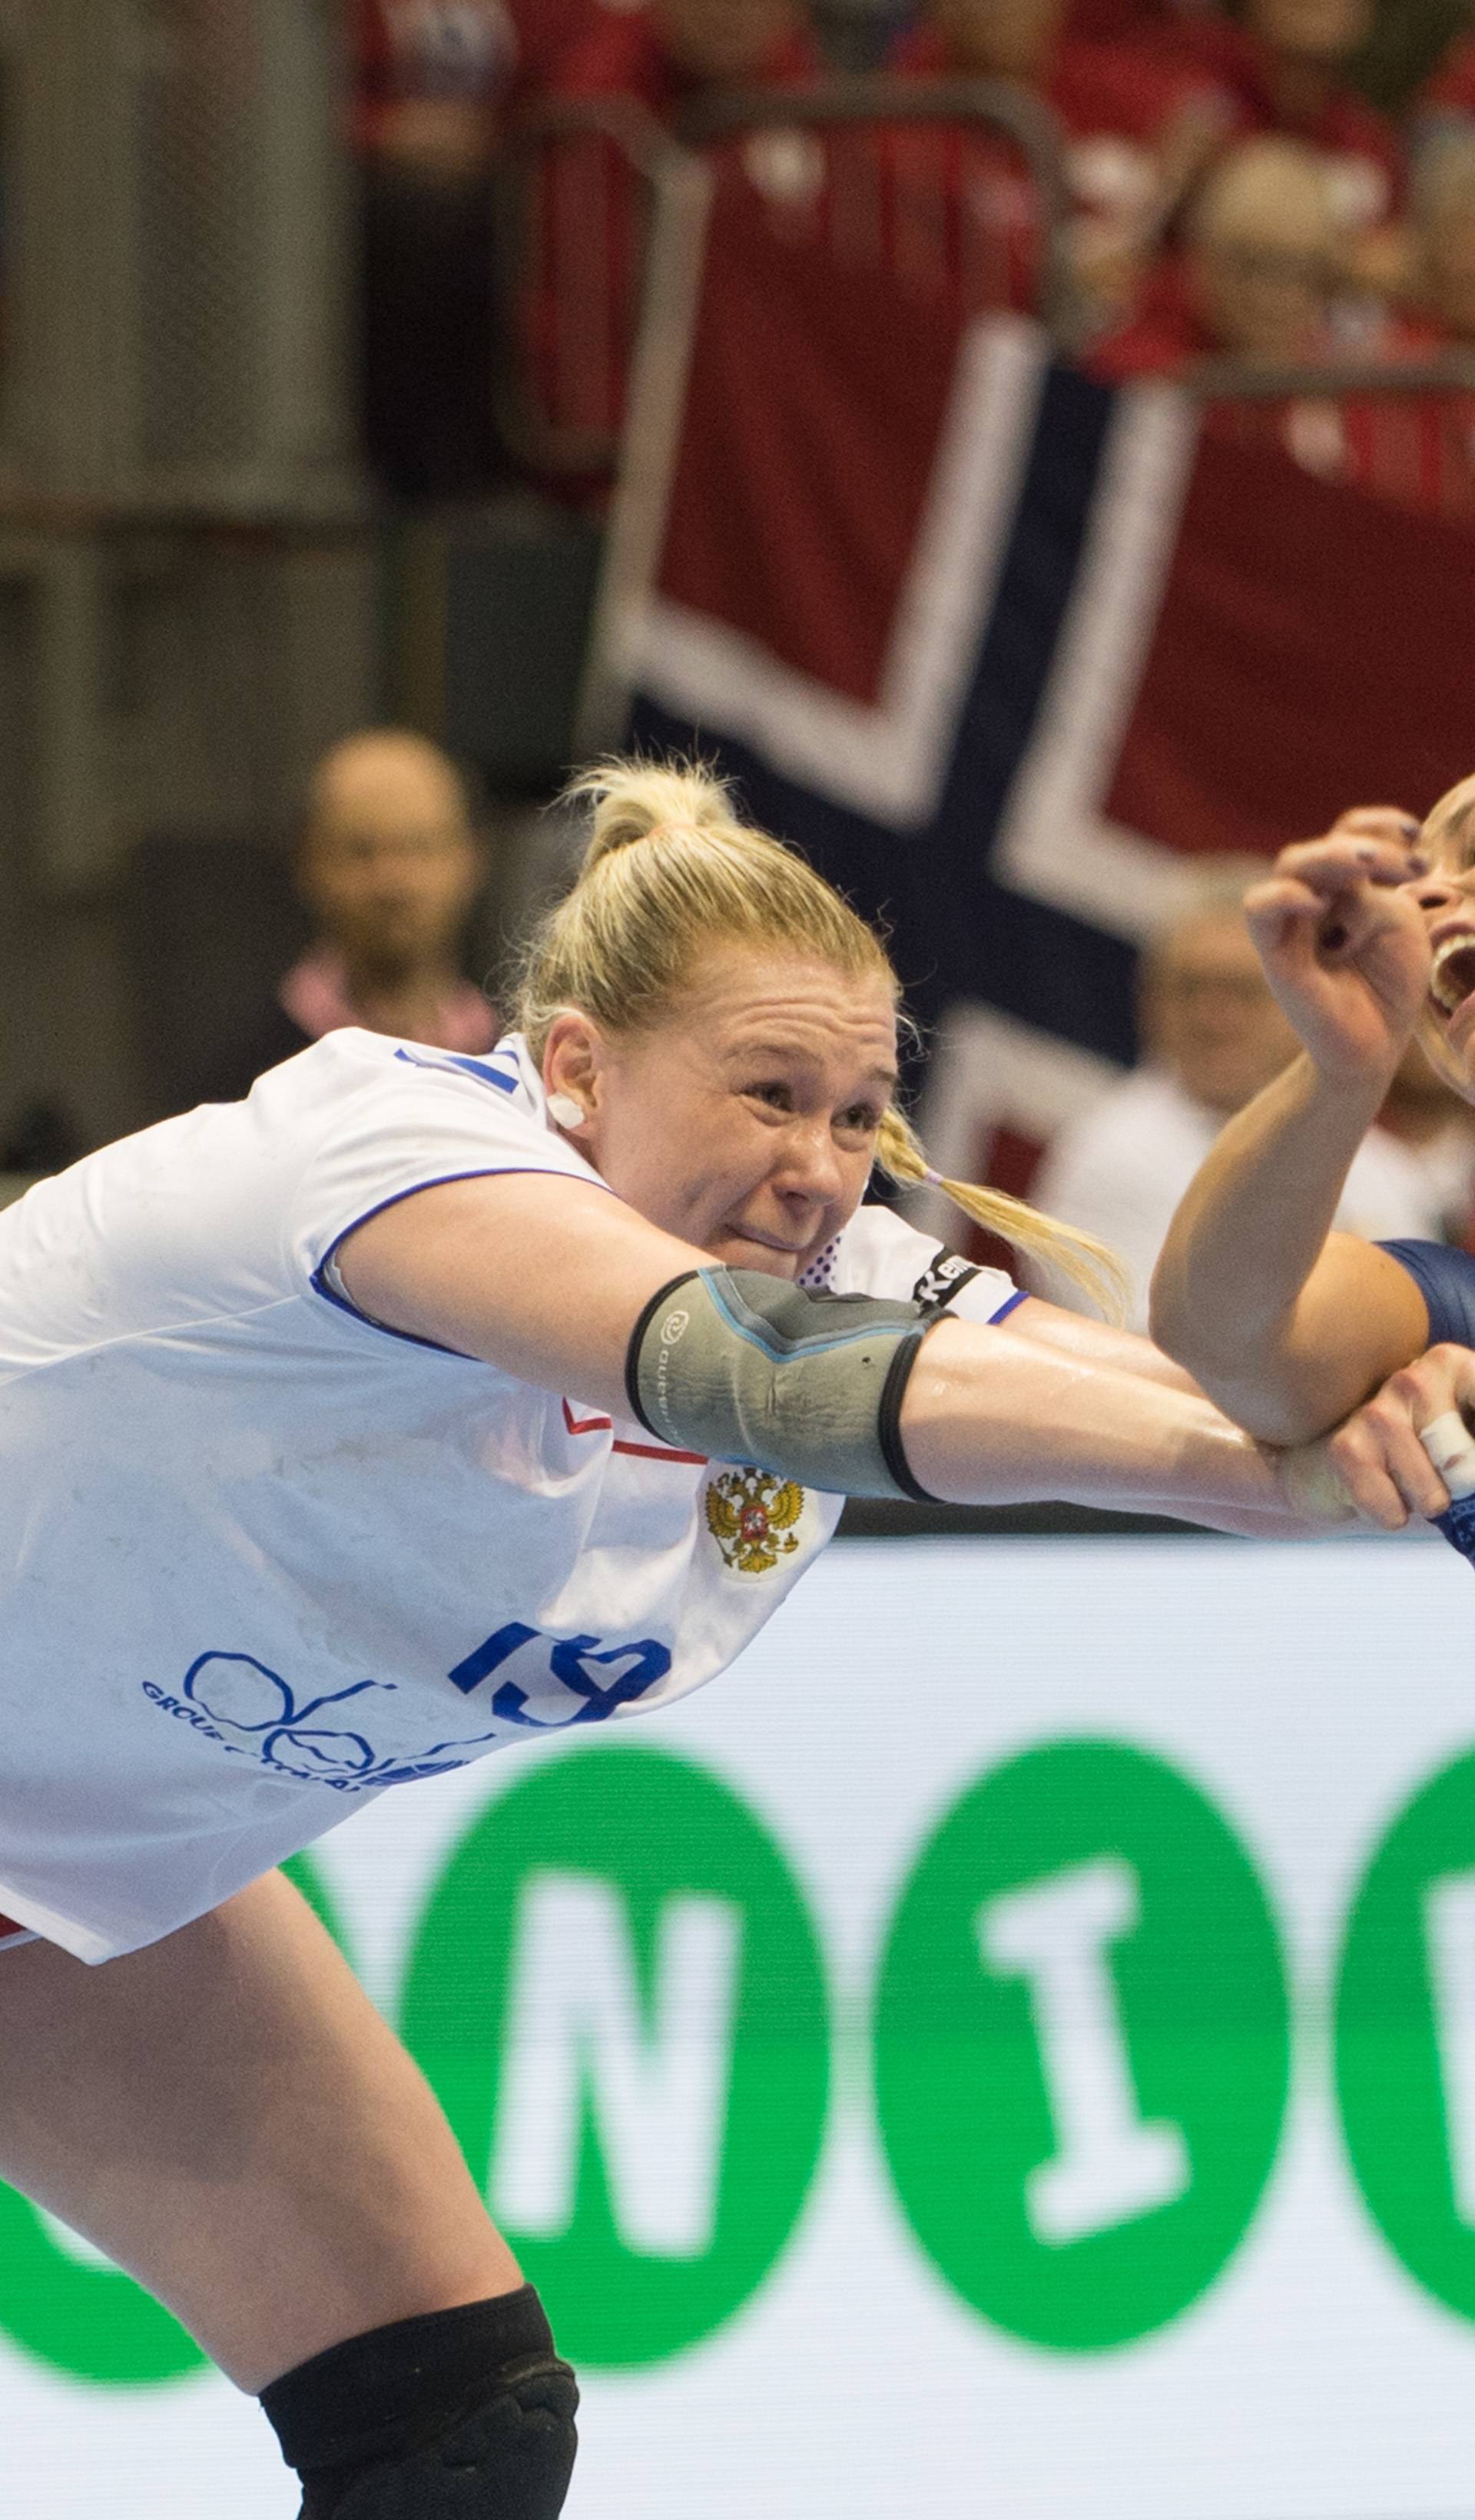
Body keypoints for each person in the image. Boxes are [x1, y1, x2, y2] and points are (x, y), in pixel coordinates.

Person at [0, 759, 1361, 2518]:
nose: (818, 1172)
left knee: (454, 2433)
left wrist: (1340, 1102)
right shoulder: (398, 1148)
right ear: (571, 1066)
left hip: (51, 1880)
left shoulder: (847, 1264)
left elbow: (1232, 1387)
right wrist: (1271, 1476)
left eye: (862, 1111)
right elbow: (752, 1374)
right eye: (768, 1095)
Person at [1149, 786, 1475, 1530]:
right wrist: (1342, 1069)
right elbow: (1225, 1338)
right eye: (1432, 882)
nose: (1435, 899)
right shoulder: (1459, 1317)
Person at [1030, 857, 1445, 1325]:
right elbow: (1169, 1356)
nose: (1215, 1017)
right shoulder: (1108, 1156)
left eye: (1244, 990)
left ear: (1307, 998)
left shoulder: (1391, 1177)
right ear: (1150, 1002)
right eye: (1191, 989)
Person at [212, 728, 498, 1099]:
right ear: (307, 862)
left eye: (420, 847)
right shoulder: (249, 1086)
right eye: (361, 851)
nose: (393, 882)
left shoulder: (523, 1063)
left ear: (473, 857)